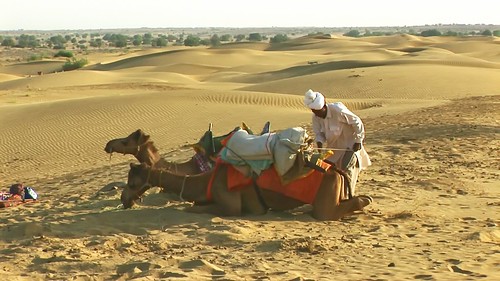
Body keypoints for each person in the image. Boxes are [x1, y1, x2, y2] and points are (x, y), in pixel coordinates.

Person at [303, 89, 371, 196]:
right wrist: (320, 146)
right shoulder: (316, 118)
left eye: (318, 111)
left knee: (346, 170)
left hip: (350, 146)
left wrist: (358, 140)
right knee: (329, 171)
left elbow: (357, 122)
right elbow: (319, 134)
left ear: (324, 106)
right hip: (334, 150)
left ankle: (348, 197)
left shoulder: (338, 110)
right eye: (314, 111)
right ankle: (335, 196)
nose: (316, 114)